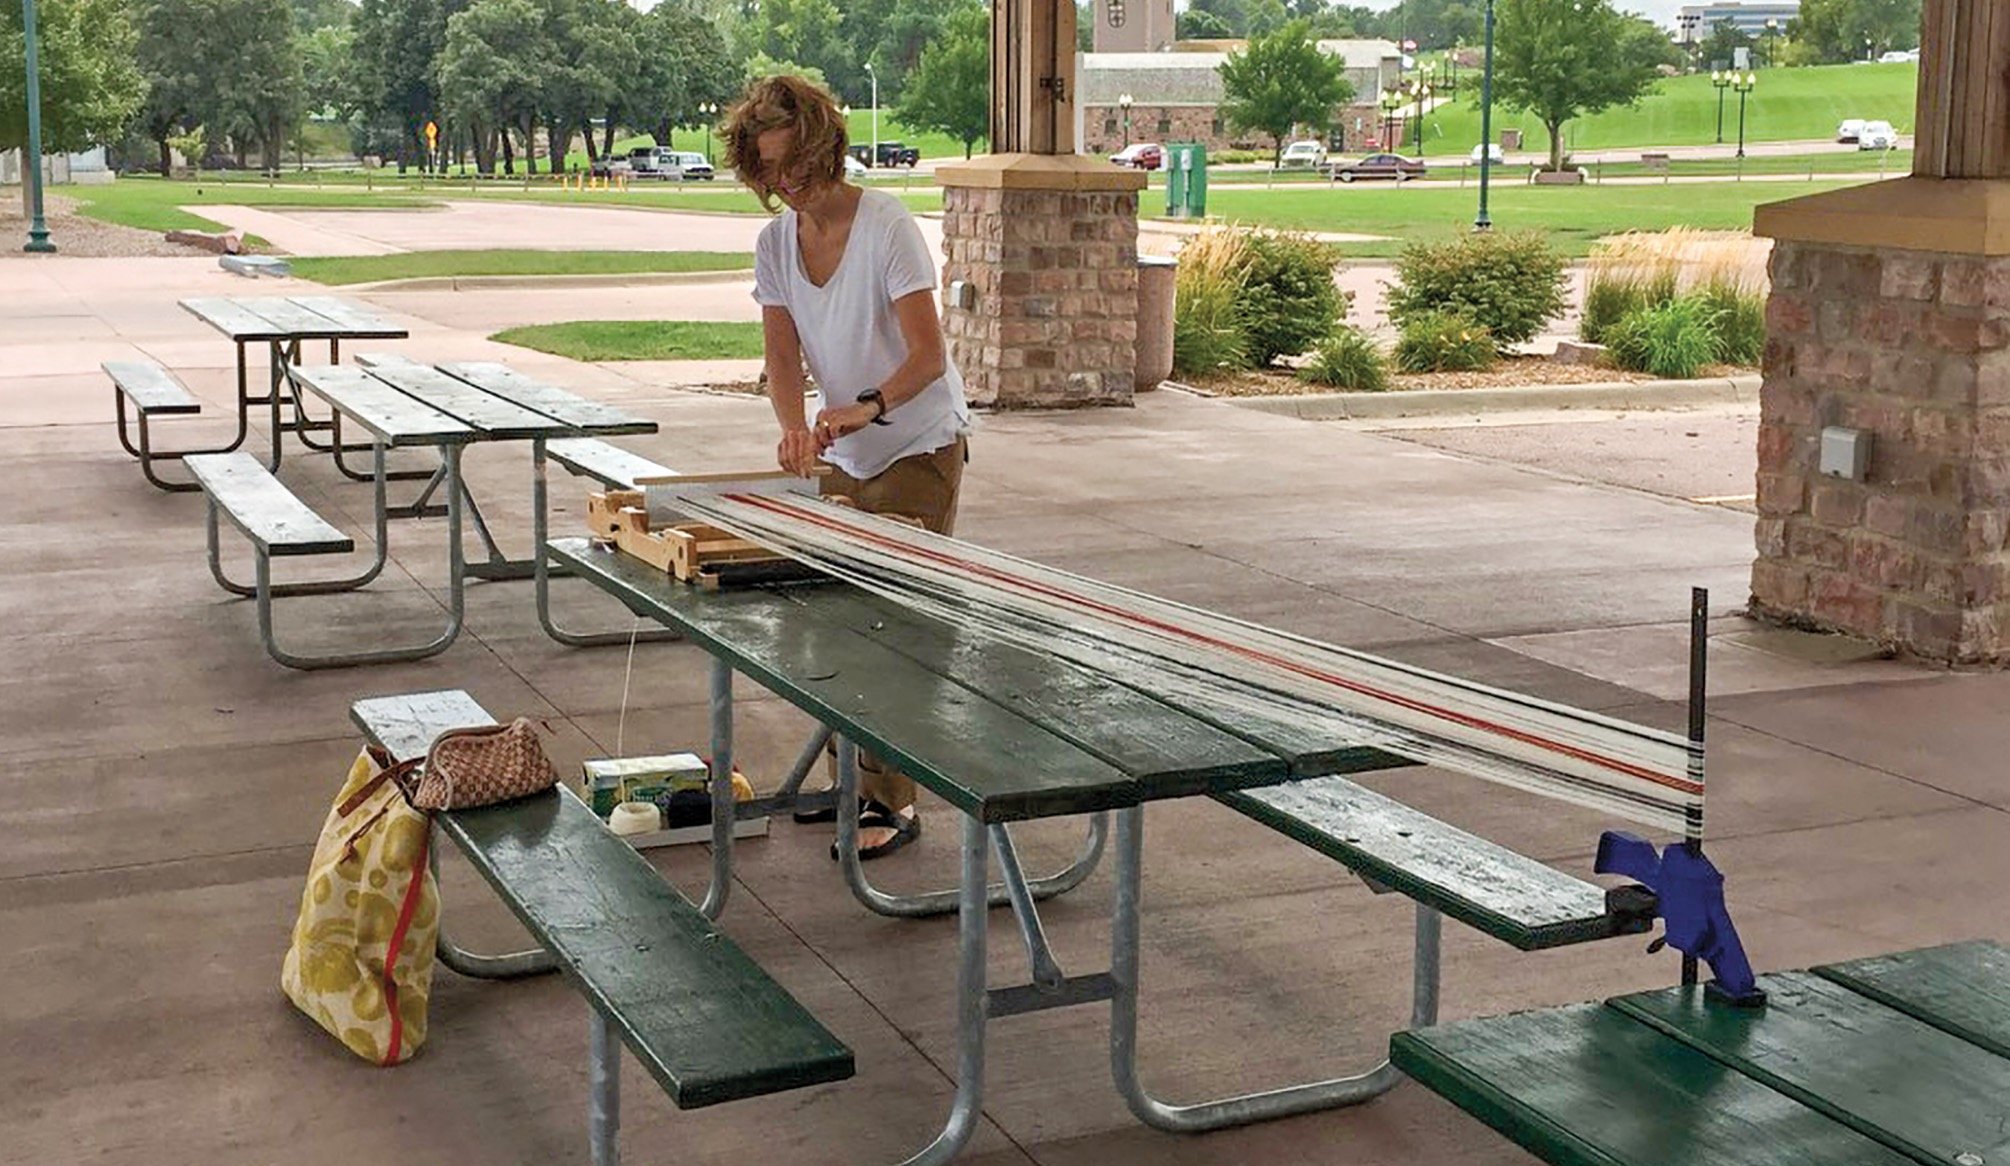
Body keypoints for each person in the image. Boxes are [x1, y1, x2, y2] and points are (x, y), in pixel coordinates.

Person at [722, 75, 971, 860]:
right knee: (833, 619)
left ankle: (892, 803)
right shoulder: (775, 244)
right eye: (769, 173)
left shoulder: (887, 227)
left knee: (893, 626)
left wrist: (865, 405)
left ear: (825, 146)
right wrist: (794, 429)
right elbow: (783, 352)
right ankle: (849, 783)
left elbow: (929, 357)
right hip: (843, 447)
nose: (786, 187)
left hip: (916, 444)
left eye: (795, 167)